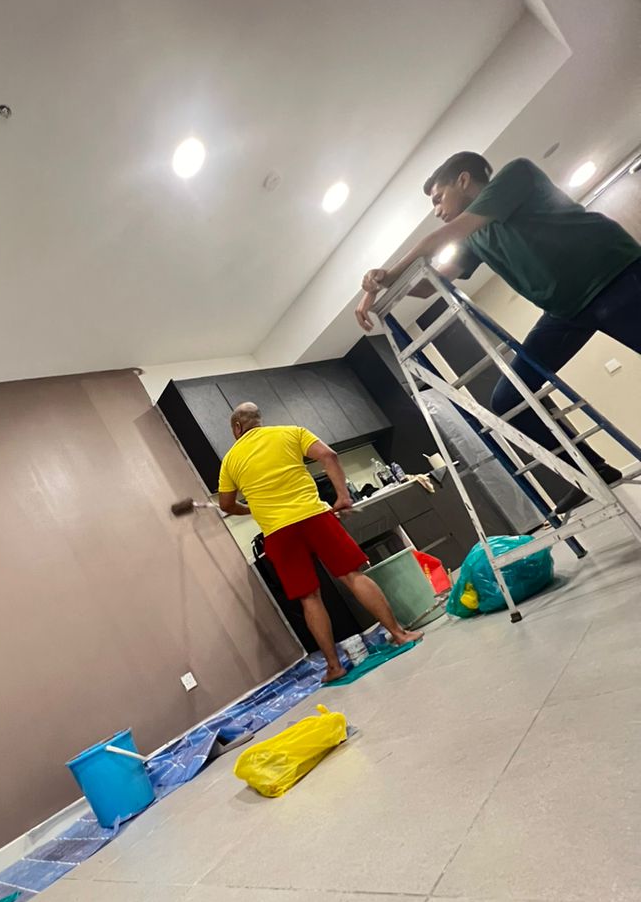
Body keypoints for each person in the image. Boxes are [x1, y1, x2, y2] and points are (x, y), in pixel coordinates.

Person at [355, 152, 641, 507]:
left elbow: (445, 235)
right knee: (508, 400)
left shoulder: (516, 174)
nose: (437, 210)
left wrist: (389, 272)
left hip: (616, 278)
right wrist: (382, 286)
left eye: (438, 199)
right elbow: (429, 286)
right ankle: (592, 470)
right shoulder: (475, 237)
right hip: (567, 312)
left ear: (463, 180)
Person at [218, 402, 422, 681]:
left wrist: (251, 508)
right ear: (259, 420)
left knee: (309, 597)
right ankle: (399, 634)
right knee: (352, 575)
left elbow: (226, 505)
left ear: (237, 427)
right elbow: (328, 455)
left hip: (278, 533)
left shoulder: (230, 460)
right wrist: (343, 496)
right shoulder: (291, 432)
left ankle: (334, 667)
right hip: (314, 516)